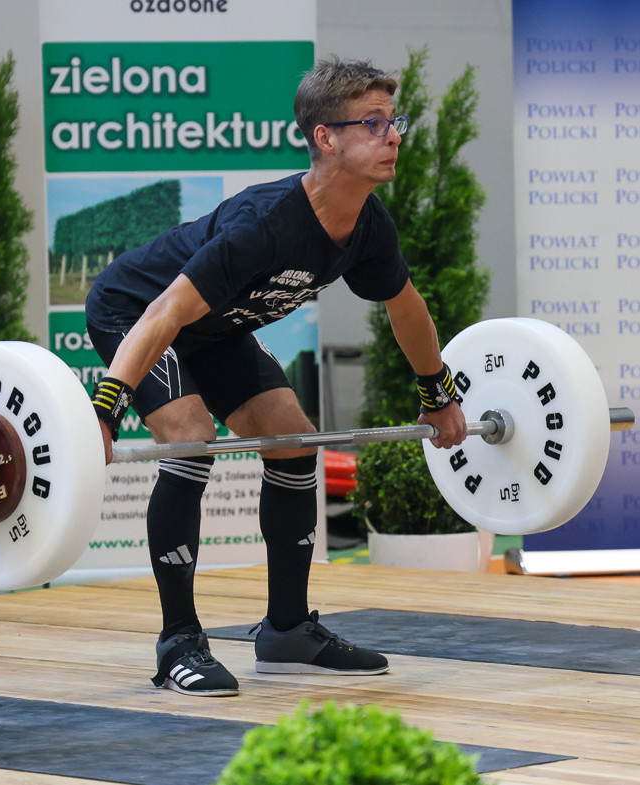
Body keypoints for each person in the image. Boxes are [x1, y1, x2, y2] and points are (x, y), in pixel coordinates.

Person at [85, 56, 468, 697]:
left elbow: (407, 308)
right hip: (138, 310)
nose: (394, 135)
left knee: (295, 440)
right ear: (326, 137)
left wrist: (438, 394)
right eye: (373, 123)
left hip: (215, 329)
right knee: (188, 435)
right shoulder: (265, 223)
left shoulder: (368, 225)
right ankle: (179, 640)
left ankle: (287, 631)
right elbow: (167, 310)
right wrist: (105, 409)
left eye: (392, 121)